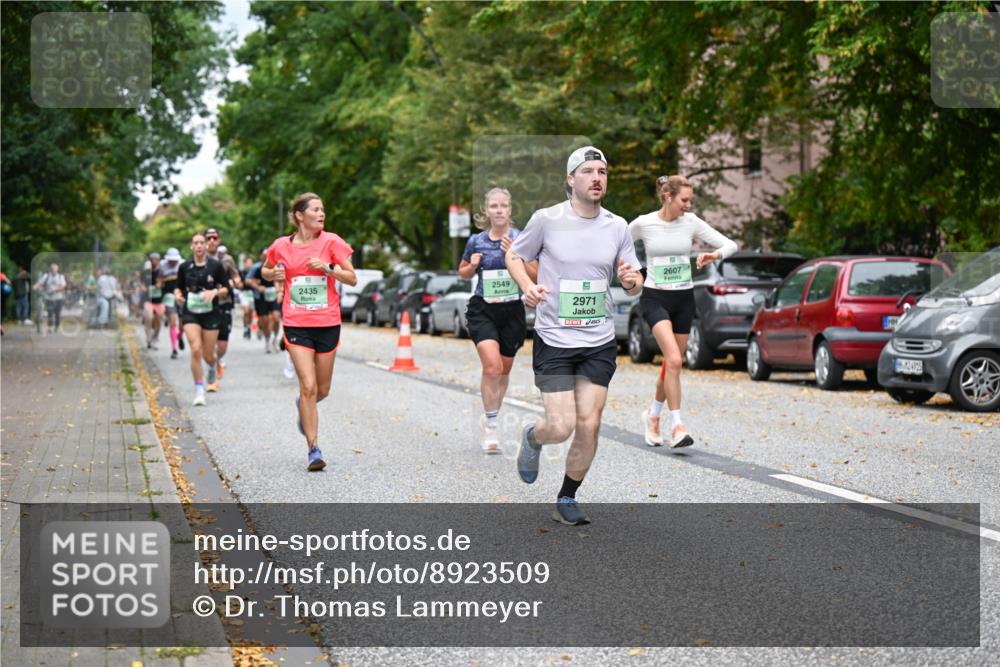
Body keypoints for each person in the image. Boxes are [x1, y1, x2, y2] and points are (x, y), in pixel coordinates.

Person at [506, 147, 643, 526]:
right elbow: (514, 256)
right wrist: (527, 287)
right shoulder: (547, 220)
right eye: (588, 171)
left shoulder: (617, 226)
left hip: (598, 341)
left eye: (602, 171)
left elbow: (633, 281)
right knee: (560, 426)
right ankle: (533, 437)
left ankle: (567, 496)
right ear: (570, 179)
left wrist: (632, 281)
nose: (597, 177)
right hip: (554, 338)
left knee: (590, 423)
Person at [630, 175, 737, 448]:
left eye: (691, 200)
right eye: (684, 200)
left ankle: (653, 415)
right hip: (655, 298)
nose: (689, 205)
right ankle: (677, 426)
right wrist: (635, 270)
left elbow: (730, 245)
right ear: (668, 197)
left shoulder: (690, 222)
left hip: (683, 299)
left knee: (671, 364)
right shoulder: (644, 223)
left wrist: (714, 255)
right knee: (675, 361)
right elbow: (617, 244)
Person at [261, 192, 356, 472]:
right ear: (299, 215)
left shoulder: (332, 242)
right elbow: (266, 269)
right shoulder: (281, 245)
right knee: (309, 386)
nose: (321, 213)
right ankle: (314, 450)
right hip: (296, 322)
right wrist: (273, 275)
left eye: (322, 209)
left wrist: (328, 268)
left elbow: (352, 278)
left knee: (322, 390)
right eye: (315, 209)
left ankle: (303, 406)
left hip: (327, 323)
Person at [458, 187, 536, 453]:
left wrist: (515, 254)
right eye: (494, 206)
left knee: (503, 370)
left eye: (503, 205)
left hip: (512, 310)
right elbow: (463, 272)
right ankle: (491, 426)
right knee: (492, 367)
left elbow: (536, 275)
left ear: (510, 210)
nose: (499, 210)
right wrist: (471, 266)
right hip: (483, 309)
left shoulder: (521, 238)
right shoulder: (476, 241)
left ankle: (490, 415)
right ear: (487, 211)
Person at [174, 233, 229, 406]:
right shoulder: (184, 267)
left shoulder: (216, 266)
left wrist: (215, 292)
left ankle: (212, 365)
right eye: (195, 243)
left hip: (211, 312)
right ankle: (199, 390)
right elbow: (178, 287)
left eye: (201, 242)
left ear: (206, 246)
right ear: (192, 246)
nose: (198, 245)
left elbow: (226, 289)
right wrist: (178, 295)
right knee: (195, 349)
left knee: (207, 353)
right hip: (191, 312)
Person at [204, 230, 243, 390]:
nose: (212, 241)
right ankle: (212, 368)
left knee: (222, 345)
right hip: (206, 305)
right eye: (208, 238)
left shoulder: (227, 259)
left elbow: (236, 276)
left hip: (225, 303)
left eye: (215, 238)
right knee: (209, 342)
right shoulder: (200, 259)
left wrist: (235, 282)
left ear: (218, 240)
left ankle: (216, 359)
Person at [247, 248, 281, 353]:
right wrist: (258, 287)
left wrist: (279, 288)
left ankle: (275, 339)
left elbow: (280, 280)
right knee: (265, 320)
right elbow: (250, 280)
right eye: (264, 255)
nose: (266, 257)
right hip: (261, 297)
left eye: (268, 255)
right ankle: (267, 340)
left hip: (273, 295)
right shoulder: (257, 268)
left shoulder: (277, 266)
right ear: (261, 256)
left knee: (276, 317)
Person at [161, 248, 184, 359]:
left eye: (175, 260)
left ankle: (179, 336)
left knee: (183, 324)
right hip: (169, 297)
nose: (173, 262)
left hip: (181, 296)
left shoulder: (183, 265)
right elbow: (159, 281)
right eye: (171, 260)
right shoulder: (162, 266)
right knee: (173, 323)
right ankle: (174, 349)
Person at [34, 263, 67, 333]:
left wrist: (55, 289)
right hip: (49, 298)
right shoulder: (46, 276)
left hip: (58, 298)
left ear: (57, 270)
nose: (53, 271)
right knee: (50, 312)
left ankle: (57, 326)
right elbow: (40, 283)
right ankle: (50, 327)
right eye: (52, 269)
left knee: (57, 314)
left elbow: (63, 286)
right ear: (50, 269)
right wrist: (35, 286)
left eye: (54, 269)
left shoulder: (60, 277)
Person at [142, 252, 165, 349]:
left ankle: (155, 337)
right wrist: (143, 287)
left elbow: (165, 284)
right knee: (149, 317)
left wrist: (161, 284)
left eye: (156, 259)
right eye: (152, 259)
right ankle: (148, 339)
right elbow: (141, 283)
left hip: (159, 301)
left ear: (159, 261)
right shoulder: (146, 272)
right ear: (150, 261)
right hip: (148, 300)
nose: (154, 261)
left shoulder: (162, 272)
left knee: (158, 321)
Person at [239, 255, 256, 339]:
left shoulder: (255, 272)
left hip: (252, 293)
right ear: (244, 263)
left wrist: (252, 282)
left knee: (250, 312)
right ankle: (245, 327)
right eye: (248, 263)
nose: (249, 264)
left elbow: (257, 281)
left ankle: (248, 326)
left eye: (251, 263)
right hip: (244, 293)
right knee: (246, 311)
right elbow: (240, 283)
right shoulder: (241, 272)